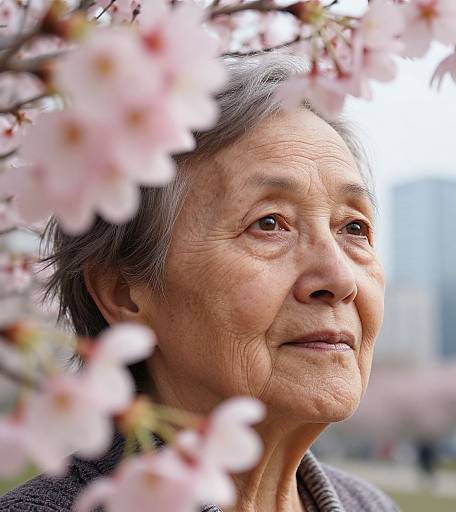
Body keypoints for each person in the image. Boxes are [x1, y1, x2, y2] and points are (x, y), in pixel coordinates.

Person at [0, 54, 398, 512]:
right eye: (269, 223)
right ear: (124, 294)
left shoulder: (370, 505)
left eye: (354, 228)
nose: (340, 278)